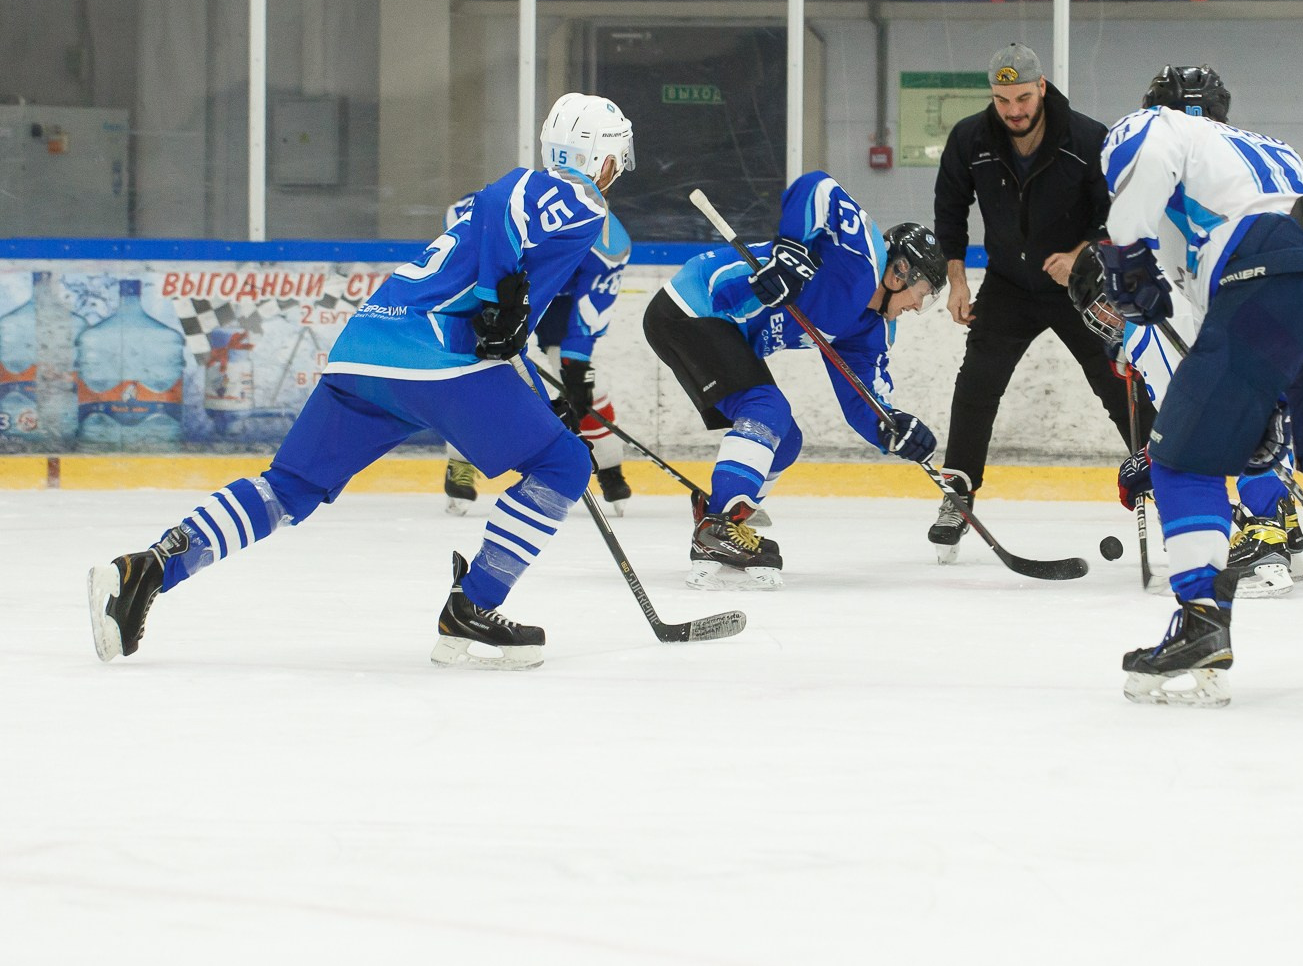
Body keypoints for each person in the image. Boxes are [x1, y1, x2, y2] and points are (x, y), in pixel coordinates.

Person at [89, 94, 636, 670]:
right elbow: (511, 197)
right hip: (434, 356)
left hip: (367, 348)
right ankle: (472, 610)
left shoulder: (492, 208)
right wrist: (496, 296)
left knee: (289, 488)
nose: (614, 170)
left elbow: (499, 293)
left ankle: (147, 569)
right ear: (599, 156)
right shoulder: (578, 198)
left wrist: (535, 374)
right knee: (566, 465)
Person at [1095, 65, 1303, 707]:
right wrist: (1260, 406)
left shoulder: (1159, 127)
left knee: (1181, 463)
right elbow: (1242, 302)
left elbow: (1153, 159)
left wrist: (1126, 254)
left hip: (1269, 268)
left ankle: (1200, 623)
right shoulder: (1271, 151)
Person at [643, 171, 944, 591]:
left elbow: (863, 401)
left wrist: (892, 429)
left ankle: (724, 517)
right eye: (924, 291)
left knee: (787, 439)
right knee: (767, 408)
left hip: (726, 331)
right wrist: (789, 252)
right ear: (899, 271)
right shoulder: (863, 258)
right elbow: (816, 187)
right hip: (696, 305)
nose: (918, 306)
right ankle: (719, 526)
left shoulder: (869, 331)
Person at [930, 41, 1150, 561]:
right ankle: (957, 495)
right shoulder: (971, 138)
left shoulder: (1086, 137)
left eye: (1023, 98)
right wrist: (957, 280)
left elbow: (1115, 213)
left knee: (1118, 383)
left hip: (1077, 289)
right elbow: (950, 208)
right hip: (1008, 285)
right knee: (977, 385)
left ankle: (1166, 481)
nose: (1014, 111)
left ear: (1042, 88)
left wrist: (1081, 253)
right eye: (1004, 100)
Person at [1068, 242, 1303, 597]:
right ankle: (1279, 519)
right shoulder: (1174, 277)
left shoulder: (1148, 330)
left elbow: (1191, 420)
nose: (1105, 322)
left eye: (1103, 308)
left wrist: (1152, 460)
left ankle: (1266, 543)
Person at [443, 200, 634, 514]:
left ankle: (609, 465)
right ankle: (460, 461)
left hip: (561, 300)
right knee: (478, 373)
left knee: (580, 381)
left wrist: (577, 367)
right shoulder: (509, 206)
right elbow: (456, 216)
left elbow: (589, 316)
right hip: (504, 290)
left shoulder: (610, 243)